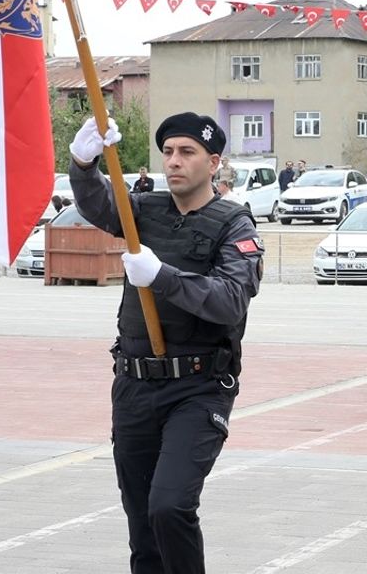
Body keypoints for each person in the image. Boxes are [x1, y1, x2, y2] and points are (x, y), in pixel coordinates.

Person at [69, 112, 263, 574]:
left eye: (187, 152)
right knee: (142, 524)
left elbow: (230, 300)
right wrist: (83, 162)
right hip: (135, 386)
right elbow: (97, 205)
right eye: (168, 152)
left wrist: (163, 277)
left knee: (170, 506)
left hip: (197, 388)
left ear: (214, 162)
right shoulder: (145, 209)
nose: (174, 162)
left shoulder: (234, 224)